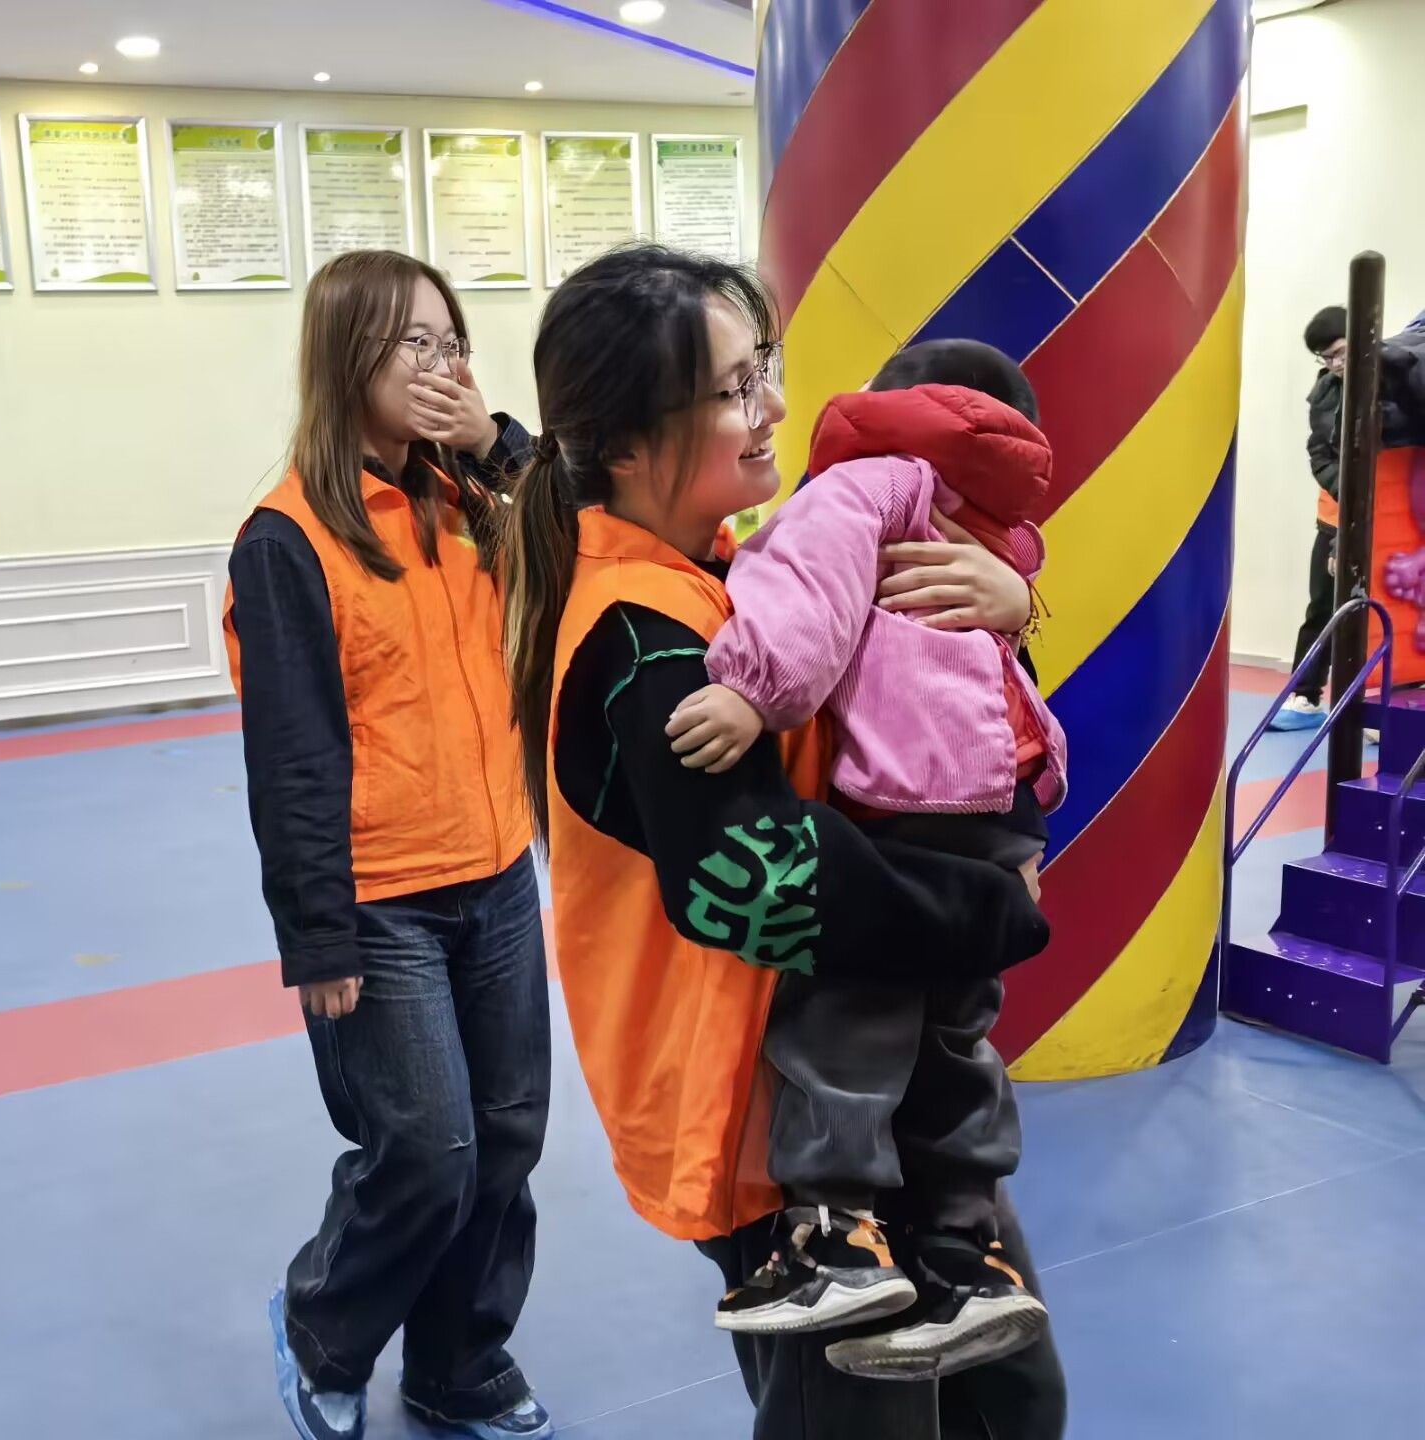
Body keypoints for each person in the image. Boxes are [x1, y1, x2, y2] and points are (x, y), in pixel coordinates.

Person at [503, 245, 1065, 1437]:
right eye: (732, 389)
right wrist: (995, 914)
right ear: (624, 440)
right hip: (775, 1136)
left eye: (763, 369)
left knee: (1011, 1397)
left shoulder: (746, 571)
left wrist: (1013, 606)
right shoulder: (642, 637)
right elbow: (759, 880)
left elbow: (929, 710)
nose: (774, 409)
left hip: (870, 1083)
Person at [661, 340, 1065, 1379]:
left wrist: (753, 692)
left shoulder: (869, 484)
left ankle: (834, 1232)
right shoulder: (992, 521)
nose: (771, 406)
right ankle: (966, 1256)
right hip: (994, 800)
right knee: (954, 1034)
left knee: (849, 1011)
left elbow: (810, 593)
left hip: (905, 795)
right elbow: (989, 670)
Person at [224, 249, 553, 1440]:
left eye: (451, 342)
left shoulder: (470, 501)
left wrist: (499, 444)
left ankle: (457, 1362)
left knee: (507, 1136)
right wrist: (316, 935)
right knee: (426, 1149)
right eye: (414, 343)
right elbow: (294, 758)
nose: (439, 364)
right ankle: (323, 1324)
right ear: (347, 356)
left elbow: (586, 544)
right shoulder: (287, 539)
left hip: (497, 871)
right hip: (381, 899)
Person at [1272, 306, 1347, 731]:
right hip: (1334, 517)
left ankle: (1378, 707)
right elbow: (1320, 455)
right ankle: (1305, 696)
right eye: (1326, 358)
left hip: (1385, 519)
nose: (1334, 364)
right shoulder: (1324, 394)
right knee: (1321, 607)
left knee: (1378, 613)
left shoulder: (1393, 383)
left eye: (1339, 353)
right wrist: (1347, 499)